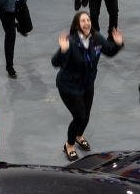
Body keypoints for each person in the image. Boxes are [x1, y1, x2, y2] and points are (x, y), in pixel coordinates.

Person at [52, 12, 123, 161]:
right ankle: (69, 145)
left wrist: (117, 44)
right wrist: (63, 51)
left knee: (86, 117)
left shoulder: (96, 38)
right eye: (83, 21)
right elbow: (55, 62)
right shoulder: (70, 41)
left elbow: (109, 51)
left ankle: (79, 136)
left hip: (87, 84)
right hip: (69, 86)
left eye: (88, 20)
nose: (87, 23)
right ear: (77, 25)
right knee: (79, 117)